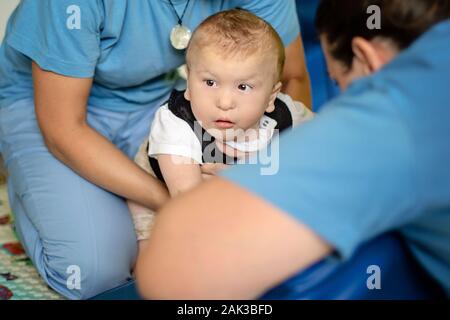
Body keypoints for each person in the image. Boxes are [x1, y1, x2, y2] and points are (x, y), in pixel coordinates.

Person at [135, 0, 450, 299]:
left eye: (338, 82)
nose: (225, 101)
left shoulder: (393, 116)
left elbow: (167, 273)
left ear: (366, 60)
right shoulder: (176, 122)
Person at [0, 0, 311, 299]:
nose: (227, 101)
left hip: (151, 95)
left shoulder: (208, 103)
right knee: (96, 274)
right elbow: (63, 129)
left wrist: (275, 169)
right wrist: (185, 203)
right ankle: (32, 196)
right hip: (50, 105)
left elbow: (290, 78)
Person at [127, 9, 312, 241]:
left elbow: (324, 146)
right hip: (168, 202)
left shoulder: (285, 115)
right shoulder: (177, 123)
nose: (224, 102)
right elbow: (192, 208)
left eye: (243, 87)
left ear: (271, 96)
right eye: (210, 82)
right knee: (162, 250)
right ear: (190, 83)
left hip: (236, 202)